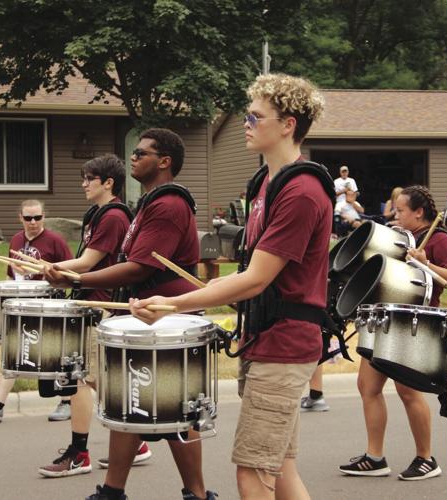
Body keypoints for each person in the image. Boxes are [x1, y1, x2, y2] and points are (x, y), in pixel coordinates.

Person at [129, 73, 331, 500]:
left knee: (252, 474)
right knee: (282, 469)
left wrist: (172, 303)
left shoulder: (302, 192)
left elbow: (257, 278)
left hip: (285, 345)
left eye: (256, 116)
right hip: (266, 339)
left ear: (288, 124)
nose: (246, 122)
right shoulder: (265, 185)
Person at [44, 129, 216, 500]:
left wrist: (78, 279)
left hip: (169, 321)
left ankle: (197, 494)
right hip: (147, 319)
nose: (133, 158)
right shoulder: (150, 204)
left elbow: (139, 268)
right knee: (128, 402)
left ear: (164, 161)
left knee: (176, 412)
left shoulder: (169, 205)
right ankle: (112, 491)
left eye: (141, 153)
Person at [339, 185, 447, 480]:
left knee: (408, 391)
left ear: (419, 212)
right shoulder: (398, 239)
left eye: (401, 210)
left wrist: (425, 263)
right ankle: (375, 457)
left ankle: (426, 458)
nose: (396, 215)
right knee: (367, 387)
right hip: (383, 320)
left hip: (414, 323)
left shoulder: (439, 238)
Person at [36, 154, 137, 478]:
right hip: (90, 302)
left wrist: (49, 268)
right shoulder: (98, 214)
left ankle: (80, 454)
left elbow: (87, 263)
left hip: (100, 305)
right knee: (95, 378)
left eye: (89, 178)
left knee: (79, 376)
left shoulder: (113, 216)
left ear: (108, 182)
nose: (83, 184)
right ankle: (137, 439)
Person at [0, 199, 73, 423]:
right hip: (20, 306)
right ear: (20, 218)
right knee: (12, 353)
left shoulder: (55, 242)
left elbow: (72, 276)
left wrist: (45, 271)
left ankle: (67, 402)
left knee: (55, 354)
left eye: (37, 217)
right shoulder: (16, 240)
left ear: (44, 217)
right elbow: (10, 278)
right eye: (28, 218)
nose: (33, 222)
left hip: (48, 306)